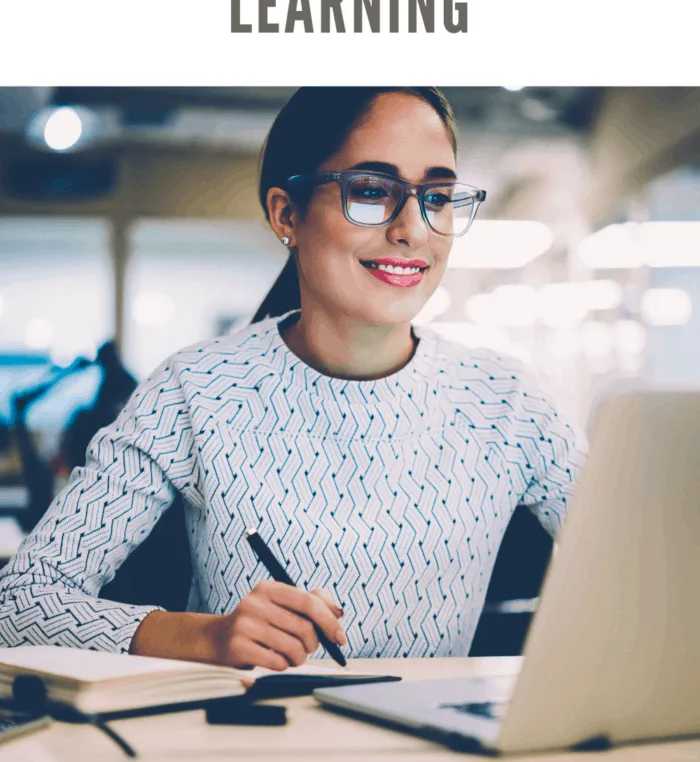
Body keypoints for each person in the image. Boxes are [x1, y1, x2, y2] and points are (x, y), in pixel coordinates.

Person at [0, 87, 587, 669]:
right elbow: (19, 606)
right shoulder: (197, 391)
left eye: (435, 196)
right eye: (371, 191)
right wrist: (201, 638)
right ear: (287, 214)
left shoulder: (507, 403)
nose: (414, 228)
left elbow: (661, 570)